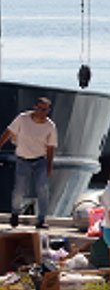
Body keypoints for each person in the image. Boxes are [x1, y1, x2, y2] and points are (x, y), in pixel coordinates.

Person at [0, 97, 58, 228]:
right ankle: (15, 213)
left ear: (48, 111)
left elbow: (50, 147)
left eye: (45, 110)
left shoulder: (50, 126)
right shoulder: (22, 119)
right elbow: (9, 132)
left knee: (42, 189)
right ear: (35, 107)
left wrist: (49, 167)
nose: (42, 112)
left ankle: (41, 219)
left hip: (40, 160)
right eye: (40, 109)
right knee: (19, 190)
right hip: (23, 159)